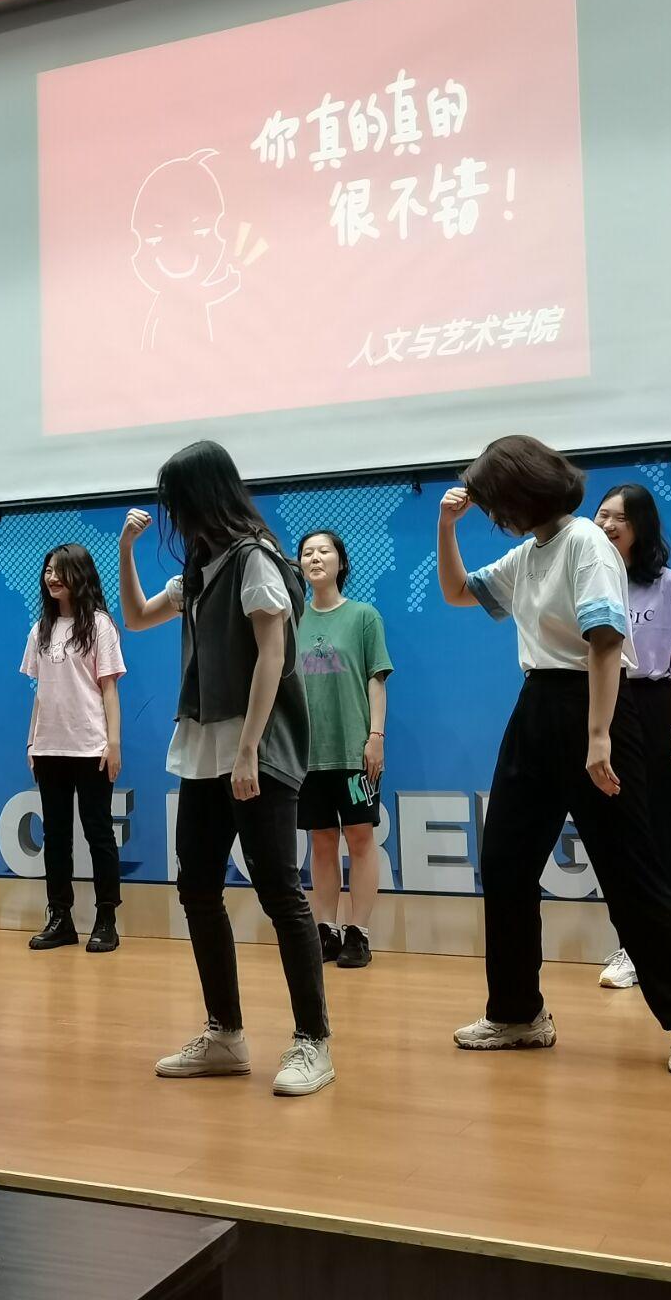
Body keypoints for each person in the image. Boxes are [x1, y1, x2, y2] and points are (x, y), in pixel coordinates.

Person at [436, 437, 671, 1077]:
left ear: (522, 492)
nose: (493, 516)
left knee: (631, 871)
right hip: (536, 707)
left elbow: (605, 640)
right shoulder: (530, 552)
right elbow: (458, 592)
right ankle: (518, 1014)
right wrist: (447, 527)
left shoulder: (584, 542)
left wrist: (597, 738)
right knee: (505, 863)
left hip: (594, 706)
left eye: (495, 504)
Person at [118, 440, 333, 1098]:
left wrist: (248, 750)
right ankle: (226, 1035)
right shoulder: (202, 568)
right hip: (204, 753)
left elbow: (274, 655)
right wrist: (125, 550)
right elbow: (136, 617)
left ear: (203, 496)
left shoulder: (254, 559)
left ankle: (313, 1042)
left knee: (280, 894)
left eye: (178, 502)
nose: (174, 517)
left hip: (256, 753)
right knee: (197, 888)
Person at [591, 483, 671, 990]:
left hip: (653, 704)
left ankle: (661, 950)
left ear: (641, 526)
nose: (607, 525)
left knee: (658, 830)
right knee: (616, 834)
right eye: (601, 515)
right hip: (605, 705)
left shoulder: (670, 586)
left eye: (619, 518)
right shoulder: (590, 581)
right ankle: (632, 944)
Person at [20, 543, 126, 953]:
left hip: (91, 747)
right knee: (56, 834)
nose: (52, 577)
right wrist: (32, 740)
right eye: (48, 570)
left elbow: (109, 690)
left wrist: (113, 743)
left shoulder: (100, 625)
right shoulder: (40, 630)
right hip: (49, 748)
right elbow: (40, 692)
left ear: (80, 575)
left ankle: (106, 918)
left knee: (99, 832)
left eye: (60, 570)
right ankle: (60, 917)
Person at [294, 530, 393, 969]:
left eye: (324, 551)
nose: (315, 558)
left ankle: (359, 932)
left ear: (340, 561)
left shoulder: (364, 616)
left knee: (360, 838)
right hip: (307, 756)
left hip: (355, 753)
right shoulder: (291, 620)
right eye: (307, 553)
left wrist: (375, 737)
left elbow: (376, 678)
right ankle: (326, 929)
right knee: (321, 841)